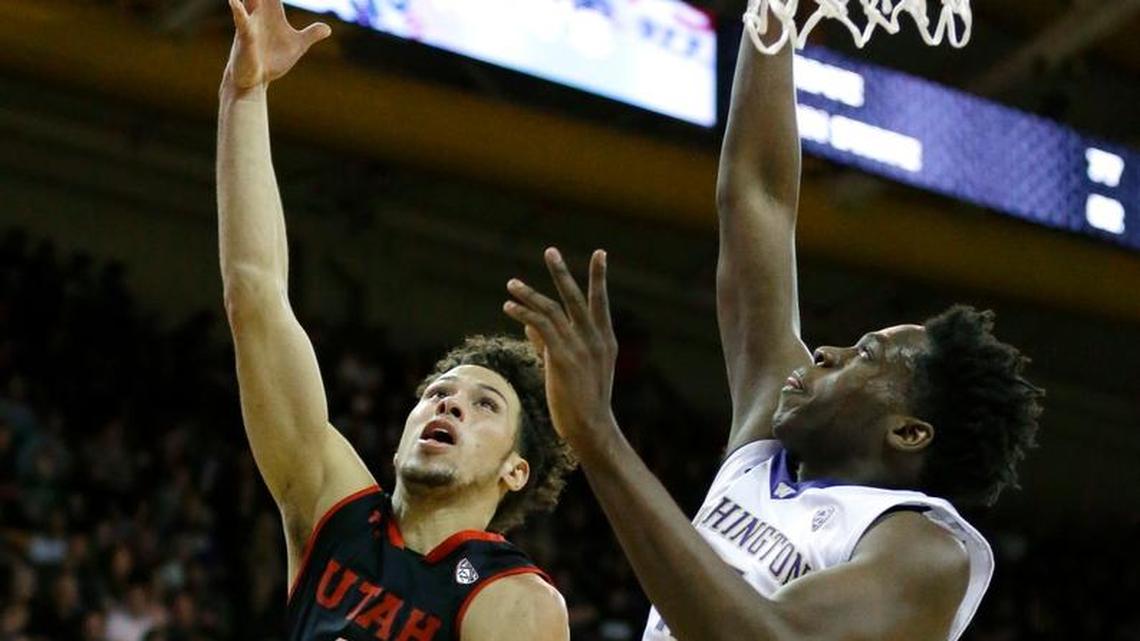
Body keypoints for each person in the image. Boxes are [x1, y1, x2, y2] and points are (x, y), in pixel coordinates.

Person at [501, 24, 1043, 641]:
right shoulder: (769, 447)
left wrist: (599, 434)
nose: (828, 352)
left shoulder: (922, 550)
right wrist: (770, 22)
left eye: (867, 355)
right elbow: (756, 196)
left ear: (908, 431)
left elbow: (767, 637)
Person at [216, 2, 574, 639]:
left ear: (515, 469)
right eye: (438, 393)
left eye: (485, 405)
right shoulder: (334, 510)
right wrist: (246, 94)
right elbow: (256, 297)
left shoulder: (518, 601)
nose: (450, 404)